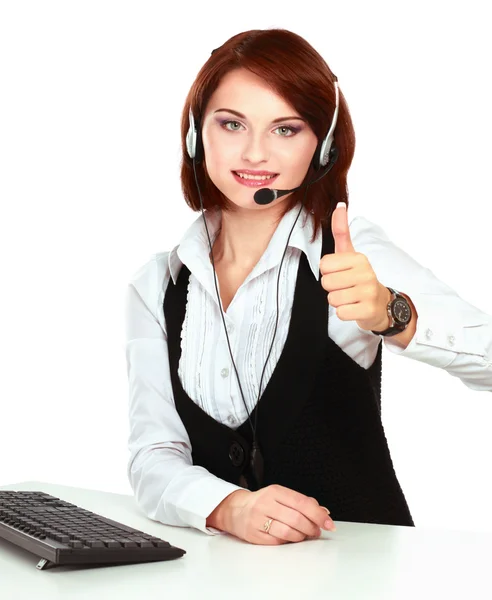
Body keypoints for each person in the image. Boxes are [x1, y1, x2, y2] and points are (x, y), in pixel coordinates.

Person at [125, 28, 492, 547]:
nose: (255, 153)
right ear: (194, 134)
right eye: (232, 124)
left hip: (361, 575)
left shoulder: (348, 253)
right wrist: (228, 507)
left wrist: (393, 314)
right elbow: (153, 456)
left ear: (324, 145)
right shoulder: (160, 284)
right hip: (220, 579)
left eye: (286, 129)